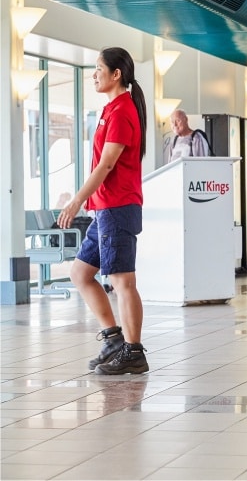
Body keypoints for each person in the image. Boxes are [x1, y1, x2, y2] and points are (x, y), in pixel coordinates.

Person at [56, 47, 149, 375]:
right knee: (80, 273)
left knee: (123, 280)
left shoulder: (122, 110)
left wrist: (77, 199)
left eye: (98, 69)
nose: (94, 75)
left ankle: (134, 352)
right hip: (106, 209)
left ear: (116, 74)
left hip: (118, 206)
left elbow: (107, 164)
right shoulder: (112, 109)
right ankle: (113, 339)